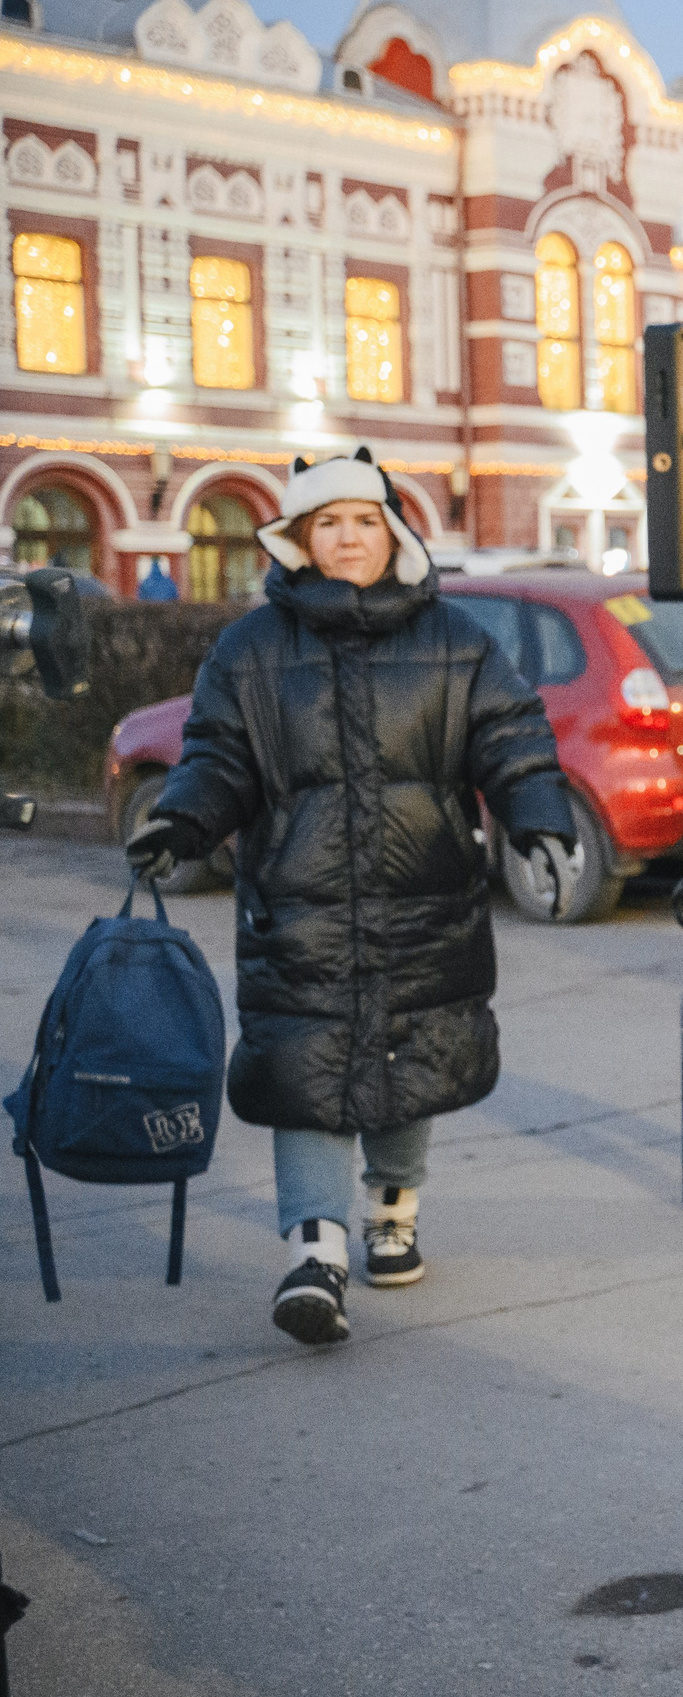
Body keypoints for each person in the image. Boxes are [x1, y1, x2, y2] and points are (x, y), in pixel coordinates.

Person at [124, 450, 574, 1346]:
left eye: (363, 520)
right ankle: (314, 1256)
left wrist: (537, 820)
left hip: (426, 901)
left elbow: (512, 736)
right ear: (297, 539)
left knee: (412, 1066)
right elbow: (219, 757)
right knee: (308, 1073)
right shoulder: (249, 649)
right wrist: (181, 821)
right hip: (300, 905)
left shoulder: (454, 637)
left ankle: (393, 1211)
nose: (348, 537)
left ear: (393, 529)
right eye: (326, 523)